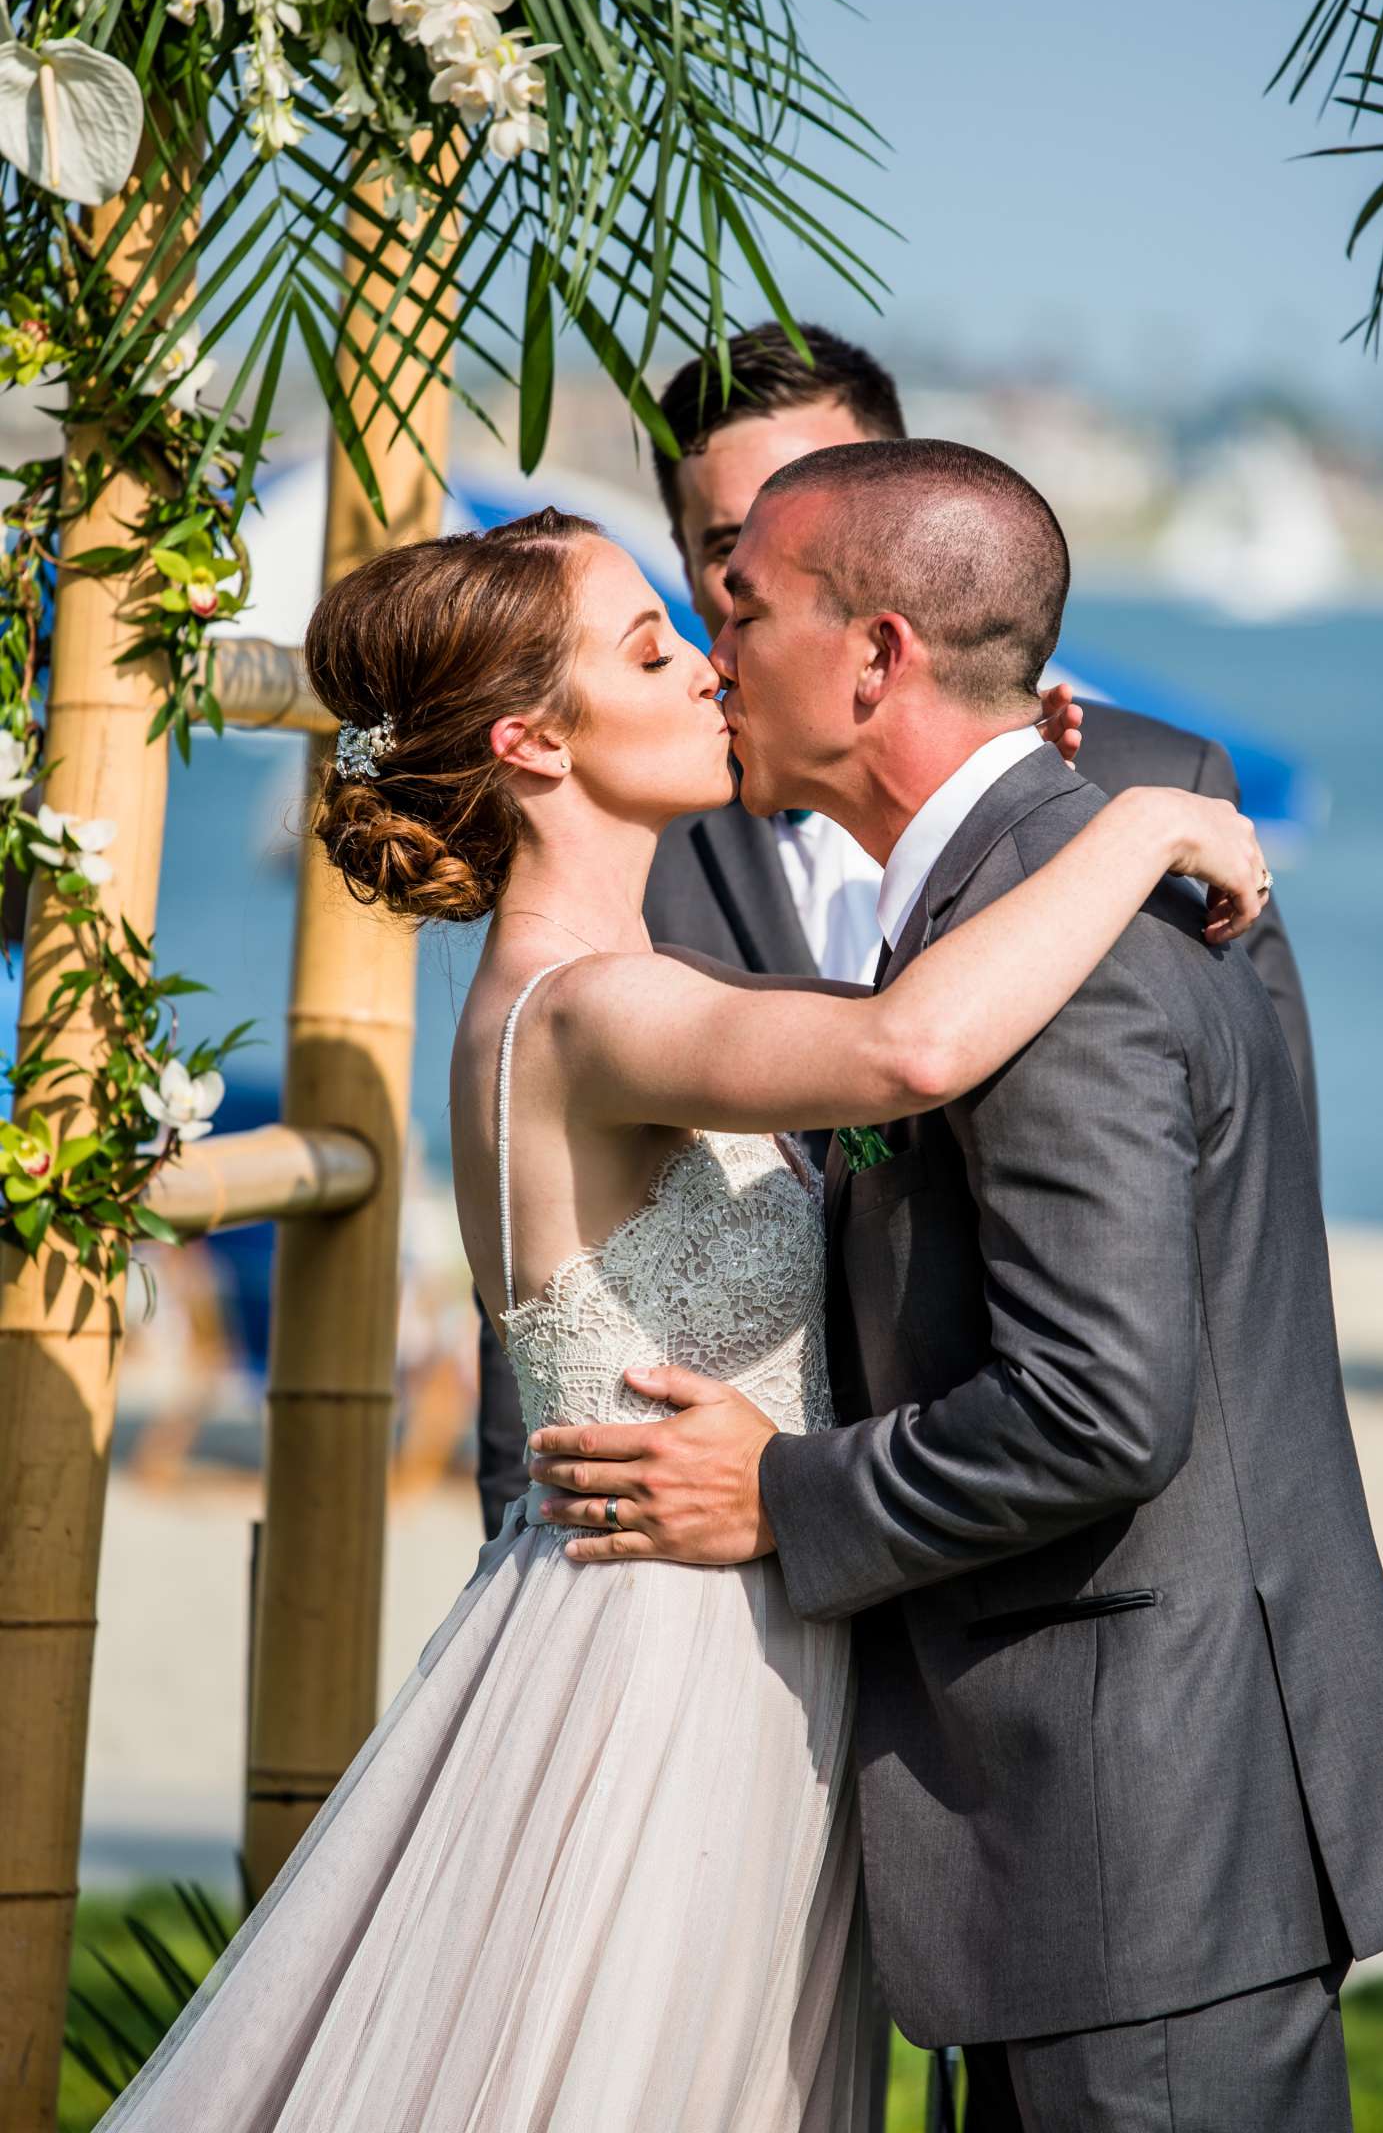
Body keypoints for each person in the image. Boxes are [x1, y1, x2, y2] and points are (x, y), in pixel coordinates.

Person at [93, 507, 1270, 2133]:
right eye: (653, 650)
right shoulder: (585, 1009)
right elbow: (909, 1051)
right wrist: (1140, 828)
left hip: (716, 1616)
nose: (710, 668)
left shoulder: (634, 984)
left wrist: (996, 790)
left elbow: (884, 997)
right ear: (533, 743)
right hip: (667, 1663)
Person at [528, 443, 1383, 2133]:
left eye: (740, 609)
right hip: (1092, 1834)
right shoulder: (1020, 901)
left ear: (879, 654)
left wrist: (778, 1495)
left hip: (1146, 1834)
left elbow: (1100, 1406)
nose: (715, 647)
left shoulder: (1066, 947)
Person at [476, 321, 1319, 1537]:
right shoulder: (611, 929)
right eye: (719, 559)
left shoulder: (1120, 819)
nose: (716, 651)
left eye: (787, 543)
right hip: (690, 1555)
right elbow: (899, 1046)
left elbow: (1248, 1248)